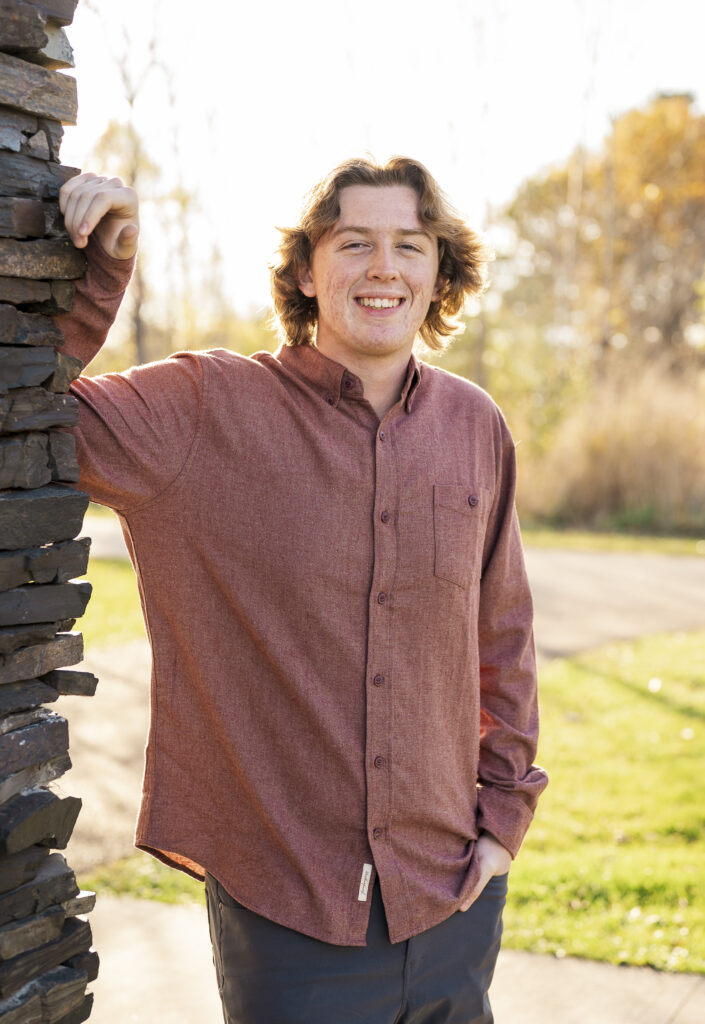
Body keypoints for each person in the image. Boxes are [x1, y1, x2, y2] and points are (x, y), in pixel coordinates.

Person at [57, 157, 548, 1024]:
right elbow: (31, 414)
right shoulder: (205, 409)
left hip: (452, 901)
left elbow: (500, 632)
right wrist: (106, 270)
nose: (383, 267)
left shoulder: (474, 424)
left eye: (409, 245)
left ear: (439, 275)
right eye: (353, 242)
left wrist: (503, 819)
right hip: (288, 916)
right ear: (305, 272)